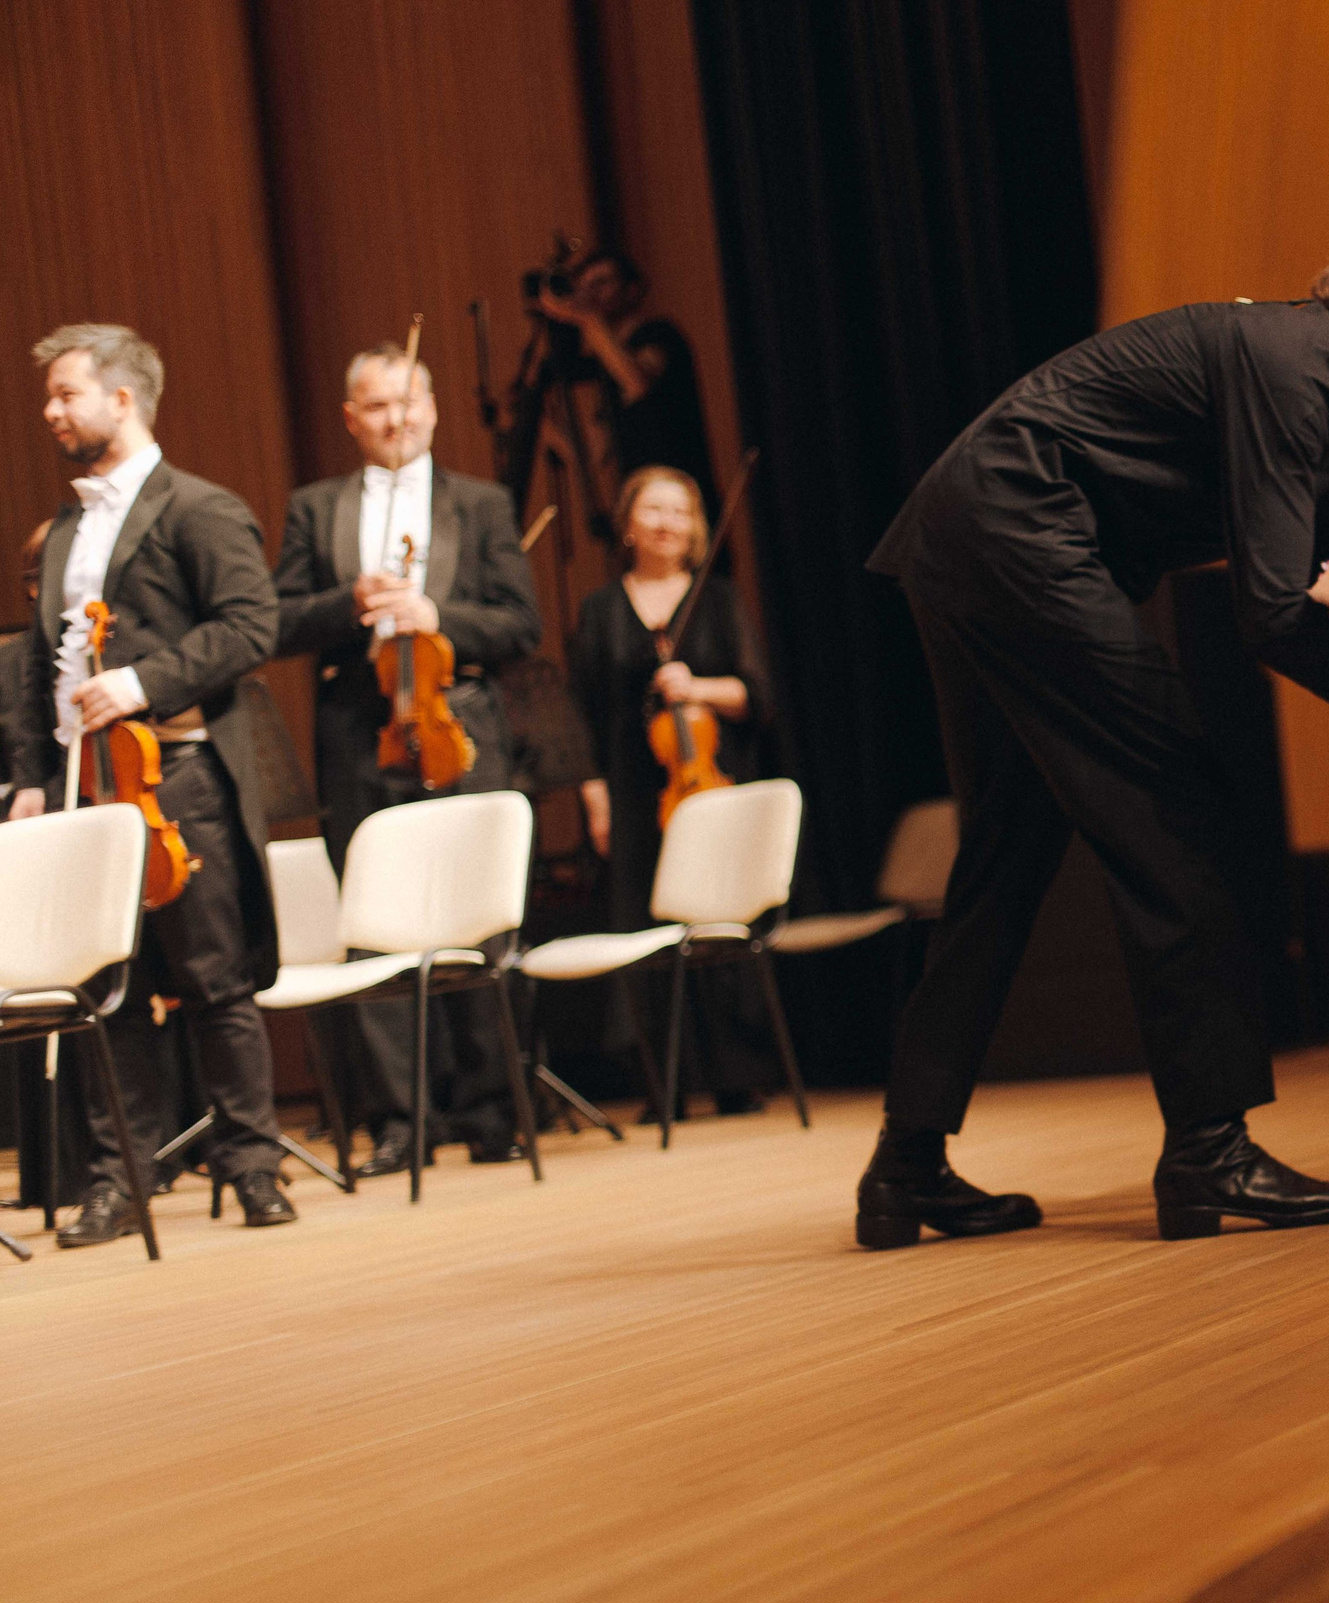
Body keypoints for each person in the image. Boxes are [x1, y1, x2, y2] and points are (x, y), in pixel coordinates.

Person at [858, 215, 1329, 1249]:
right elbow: (1274, 612)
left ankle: (905, 1167)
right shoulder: (1304, 369)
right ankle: (1209, 1149)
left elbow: (1328, 591)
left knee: (1007, 850)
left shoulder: (1311, 368)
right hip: (1017, 535)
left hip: (969, 536)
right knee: (1175, 804)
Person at [11, 324, 295, 1240]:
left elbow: (251, 625)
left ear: (122, 398)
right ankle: (120, 1179)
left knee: (214, 982)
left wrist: (139, 683)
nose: (51, 411)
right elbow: (40, 664)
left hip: (176, 777)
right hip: (83, 789)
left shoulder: (199, 508)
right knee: (108, 991)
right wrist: (31, 774)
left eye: (66, 393)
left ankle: (253, 1168)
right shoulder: (64, 529)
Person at [270, 342, 543, 1176]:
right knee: (375, 924)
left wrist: (438, 615)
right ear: (352, 418)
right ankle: (401, 1118)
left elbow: (521, 625)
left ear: (432, 407)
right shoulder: (316, 508)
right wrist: (345, 602)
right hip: (359, 728)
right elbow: (276, 621)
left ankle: (495, 1107)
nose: (397, 419)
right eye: (378, 406)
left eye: (409, 402)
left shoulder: (483, 502)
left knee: (478, 914)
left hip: (459, 722)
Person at [569, 465, 777, 1114]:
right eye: (653, 510)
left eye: (680, 512)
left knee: (717, 922)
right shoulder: (601, 610)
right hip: (634, 793)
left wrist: (698, 688)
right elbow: (582, 713)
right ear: (627, 525)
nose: (667, 523)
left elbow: (755, 694)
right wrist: (594, 796)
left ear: (696, 529)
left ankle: (736, 1075)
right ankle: (664, 1085)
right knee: (644, 927)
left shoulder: (718, 599)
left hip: (708, 783)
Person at [536, 251, 717, 507]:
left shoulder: (659, 334)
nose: (590, 293)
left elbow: (637, 383)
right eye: (585, 286)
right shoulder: (606, 365)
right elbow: (595, 456)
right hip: (641, 504)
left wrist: (588, 318)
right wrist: (543, 422)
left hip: (683, 501)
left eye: (601, 282)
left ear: (632, 290)